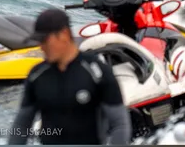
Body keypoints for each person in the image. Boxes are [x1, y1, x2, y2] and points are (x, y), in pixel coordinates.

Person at [8, 8, 131, 145]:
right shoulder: (37, 75)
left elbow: (120, 124)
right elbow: (21, 125)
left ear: (64, 34)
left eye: (44, 40)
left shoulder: (97, 72)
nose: (41, 47)